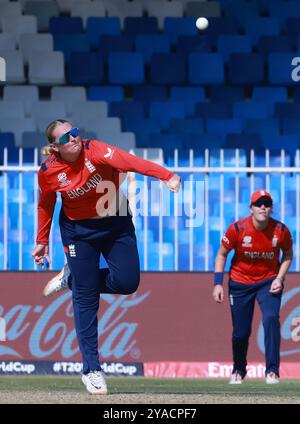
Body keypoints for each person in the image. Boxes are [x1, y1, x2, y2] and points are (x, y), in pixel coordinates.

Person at [32, 120, 181, 395]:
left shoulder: (96, 150)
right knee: (87, 297)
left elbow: (131, 161)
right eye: (65, 137)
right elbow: (46, 203)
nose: (73, 138)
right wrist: (41, 241)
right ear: (55, 147)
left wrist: (166, 175)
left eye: (74, 132)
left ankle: (73, 278)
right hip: (79, 233)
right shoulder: (49, 171)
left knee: (127, 283)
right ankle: (91, 369)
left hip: (116, 223)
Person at [212, 190, 293, 385]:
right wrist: (217, 283)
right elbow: (221, 254)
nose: (263, 207)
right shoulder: (238, 229)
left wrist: (280, 278)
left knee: (271, 319)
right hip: (240, 283)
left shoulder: (281, 230)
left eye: (266, 204)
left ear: (271, 208)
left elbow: (288, 254)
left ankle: (272, 371)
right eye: (259, 204)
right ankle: (239, 369)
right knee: (241, 332)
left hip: (268, 281)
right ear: (251, 208)